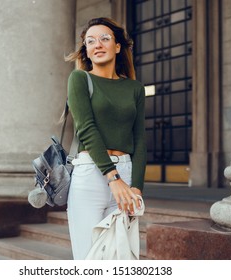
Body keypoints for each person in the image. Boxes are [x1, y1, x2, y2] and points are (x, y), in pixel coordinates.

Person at [65, 17, 147, 260]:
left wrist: (137, 187)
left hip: (126, 174)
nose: (97, 45)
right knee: (89, 258)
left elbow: (140, 139)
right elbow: (87, 129)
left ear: (118, 46)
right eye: (91, 41)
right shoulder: (79, 79)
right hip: (92, 174)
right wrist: (113, 178)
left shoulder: (134, 88)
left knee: (121, 258)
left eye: (104, 39)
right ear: (87, 51)